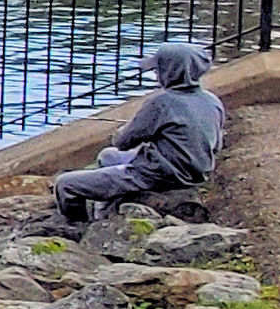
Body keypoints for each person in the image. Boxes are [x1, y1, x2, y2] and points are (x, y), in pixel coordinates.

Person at [54, 42, 222, 225]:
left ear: (170, 71)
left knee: (65, 184)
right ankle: (105, 214)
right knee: (108, 156)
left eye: (158, 69)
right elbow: (215, 146)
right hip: (195, 175)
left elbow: (123, 142)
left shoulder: (161, 102)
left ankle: (78, 227)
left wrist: (121, 131)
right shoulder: (212, 101)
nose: (156, 74)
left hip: (157, 176)